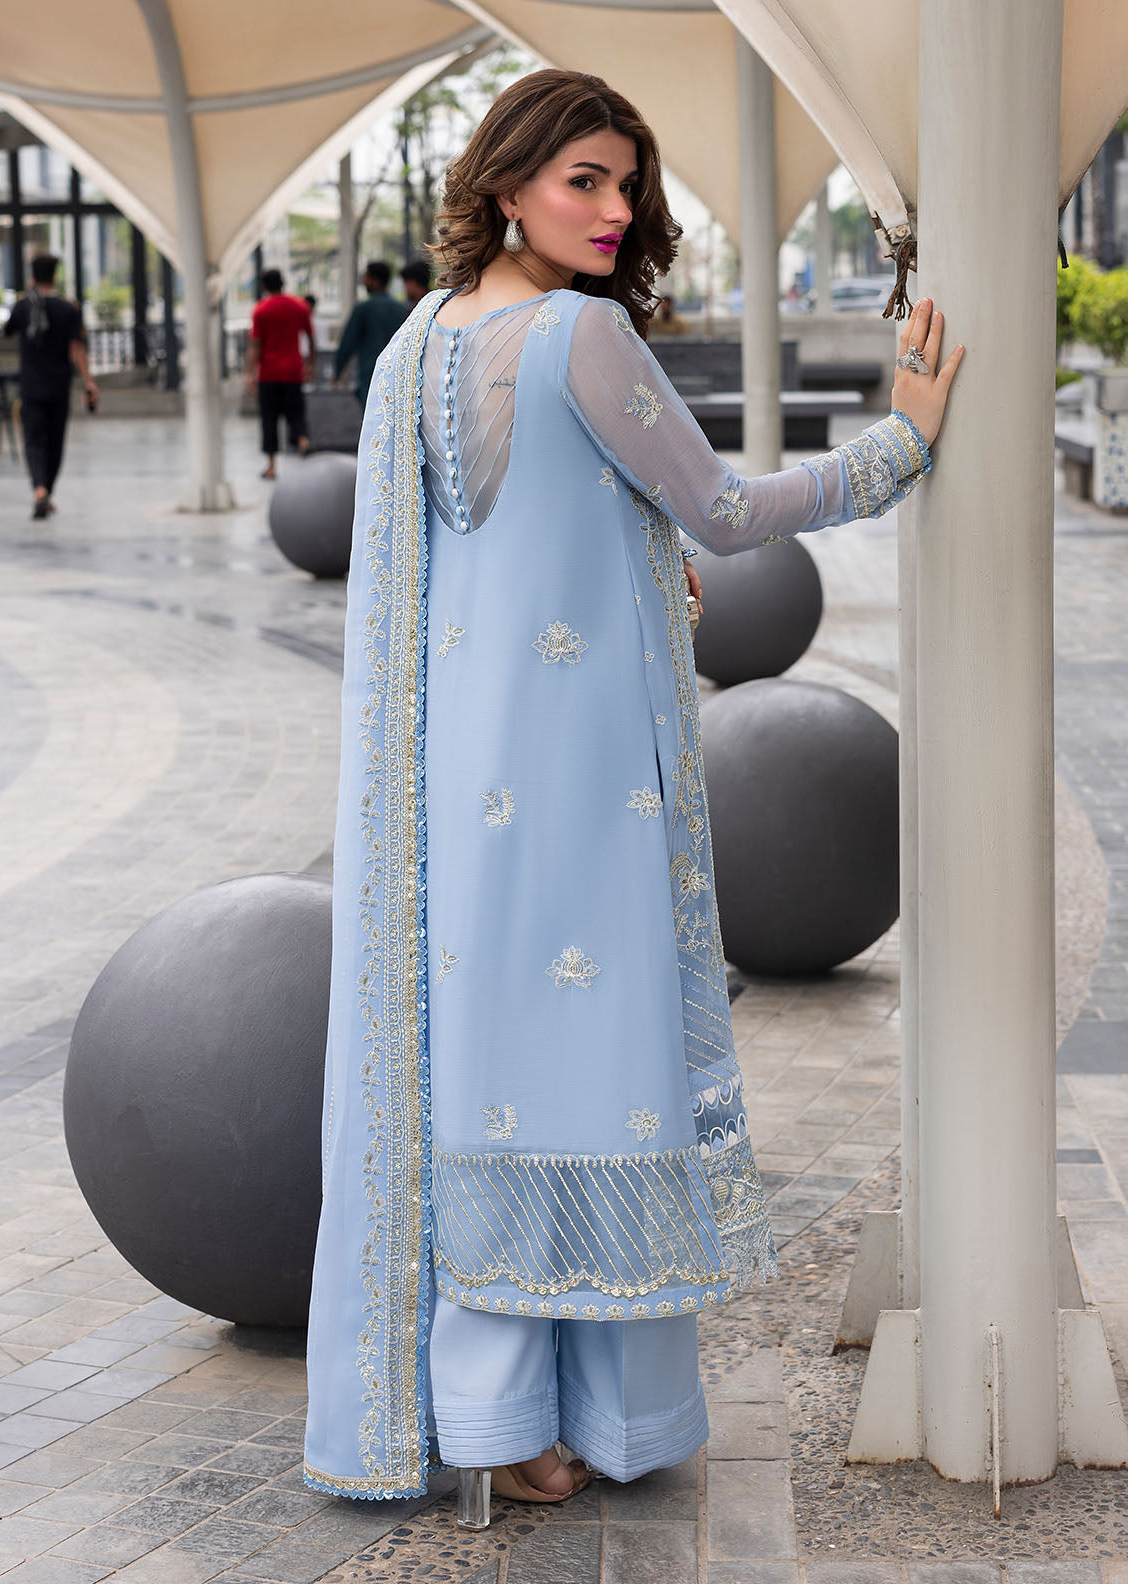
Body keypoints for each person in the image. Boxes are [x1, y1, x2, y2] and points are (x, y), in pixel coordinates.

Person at [304, 69, 962, 1516]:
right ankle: (577, 1419)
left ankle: (491, 1413)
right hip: (579, 779)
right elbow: (720, 511)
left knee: (487, 1072)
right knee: (591, 1073)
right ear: (508, 183)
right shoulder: (579, 334)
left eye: (625, 185)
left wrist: (628, 565)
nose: (611, 211)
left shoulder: (419, 342)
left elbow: (508, 543)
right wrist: (897, 449)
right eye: (582, 180)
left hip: (454, 781)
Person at [4, 254, 98, 520]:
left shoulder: (23, 307)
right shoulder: (68, 309)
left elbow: (8, 330)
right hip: (58, 386)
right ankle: (47, 491)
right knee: (55, 441)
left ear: (33, 276)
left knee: (33, 440)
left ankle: (39, 489)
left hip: (30, 387)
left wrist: (28, 295)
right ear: (55, 276)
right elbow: (77, 348)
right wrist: (89, 382)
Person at [245, 268, 314, 480]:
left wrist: (249, 373)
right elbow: (311, 338)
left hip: (269, 373)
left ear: (264, 286)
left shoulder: (261, 309)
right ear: (283, 282)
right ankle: (302, 441)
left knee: (269, 419)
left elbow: (255, 345)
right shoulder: (299, 306)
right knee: (296, 412)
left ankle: (271, 466)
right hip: (293, 371)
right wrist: (309, 364)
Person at [332, 261, 407, 407]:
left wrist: (338, 370)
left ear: (375, 280)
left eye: (366, 277)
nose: (364, 281)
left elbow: (348, 342)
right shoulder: (401, 309)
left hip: (370, 374)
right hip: (397, 375)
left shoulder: (363, 309)